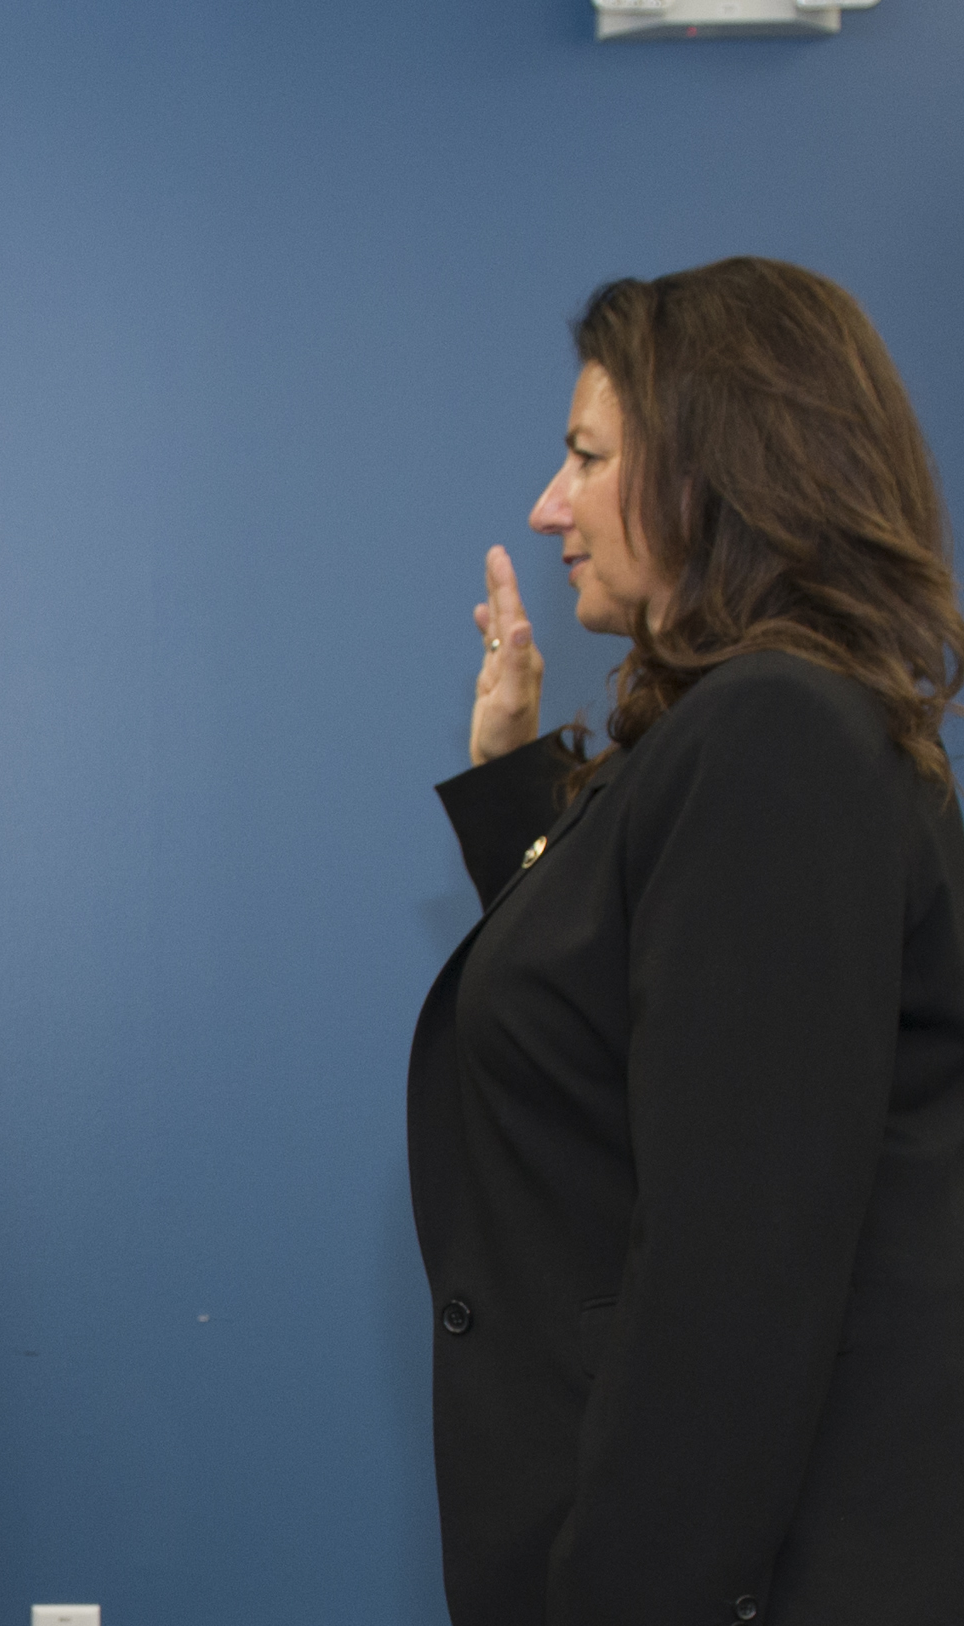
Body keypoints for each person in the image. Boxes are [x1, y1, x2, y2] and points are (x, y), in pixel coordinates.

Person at [414, 257, 964, 1625]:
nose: (547, 505)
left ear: (721, 472)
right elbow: (621, 1022)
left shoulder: (772, 738)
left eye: (585, 455)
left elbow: (733, 1277)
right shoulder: (748, 733)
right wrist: (517, 792)